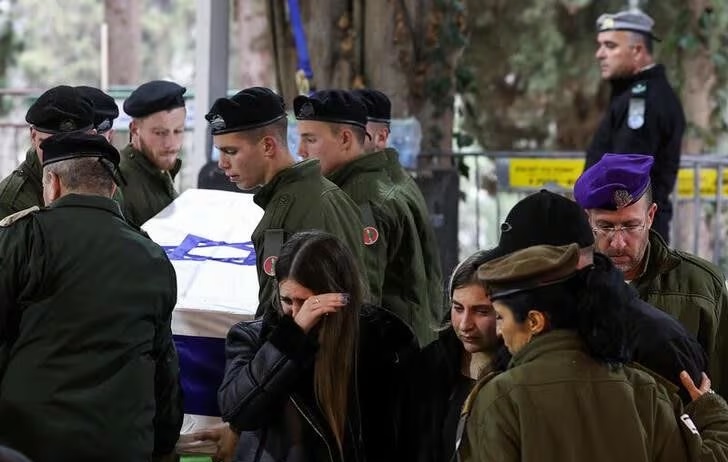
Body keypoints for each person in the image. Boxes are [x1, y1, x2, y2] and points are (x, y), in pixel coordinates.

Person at [0, 133, 183, 462]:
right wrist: (166, 444)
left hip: (28, 443)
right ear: (112, 189)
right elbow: (164, 365)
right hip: (122, 443)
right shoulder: (153, 258)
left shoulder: (23, 238)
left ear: (52, 183)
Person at [458, 243, 728, 462]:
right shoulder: (643, 390)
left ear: (534, 322)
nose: (500, 331)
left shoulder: (499, 398)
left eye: (501, 318)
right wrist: (712, 412)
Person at [488, 189, 707, 403]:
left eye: (517, 270)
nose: (508, 284)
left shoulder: (658, 342)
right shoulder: (527, 327)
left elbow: (684, 435)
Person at [218, 230, 417, 462]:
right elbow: (238, 412)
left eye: (306, 302)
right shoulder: (252, 337)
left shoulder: (386, 339)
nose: (295, 312)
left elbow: (409, 429)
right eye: (287, 300)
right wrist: (290, 338)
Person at [205, 86, 366, 318]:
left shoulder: (287, 212)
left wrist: (262, 353)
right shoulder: (330, 194)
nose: (222, 163)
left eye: (230, 151)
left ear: (268, 146)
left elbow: (279, 314)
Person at [575, 153, 728, 396]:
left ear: (651, 216)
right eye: (605, 226)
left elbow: (721, 389)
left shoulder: (701, 287)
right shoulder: (568, 286)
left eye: (630, 225)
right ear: (588, 220)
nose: (618, 242)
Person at [295, 89, 438, 345]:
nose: (301, 150)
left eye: (310, 139)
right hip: (409, 344)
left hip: (386, 355)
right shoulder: (385, 182)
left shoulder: (361, 198)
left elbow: (361, 295)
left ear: (346, 139)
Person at [585, 9, 685, 243]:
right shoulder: (636, 95)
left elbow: (624, 179)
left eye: (610, 46)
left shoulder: (642, 100)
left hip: (629, 239)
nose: (600, 54)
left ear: (637, 50)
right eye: (600, 45)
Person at [401, 249, 507, 462]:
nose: (465, 324)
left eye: (481, 311)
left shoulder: (519, 372)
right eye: (458, 308)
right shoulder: (427, 367)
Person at [352, 88, 445, 317]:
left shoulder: (369, 193)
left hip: (395, 335)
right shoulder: (396, 178)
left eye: (357, 134)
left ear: (381, 137)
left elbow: (366, 290)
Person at [0, 85, 95, 219]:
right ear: (33, 137)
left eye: (74, 145)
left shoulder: (104, 182)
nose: (61, 156)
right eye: (49, 146)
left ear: (93, 137)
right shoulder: (10, 202)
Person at [119, 79, 186, 226]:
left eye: (178, 131)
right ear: (134, 129)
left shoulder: (159, 168)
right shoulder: (117, 183)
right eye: (160, 133)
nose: (171, 143)